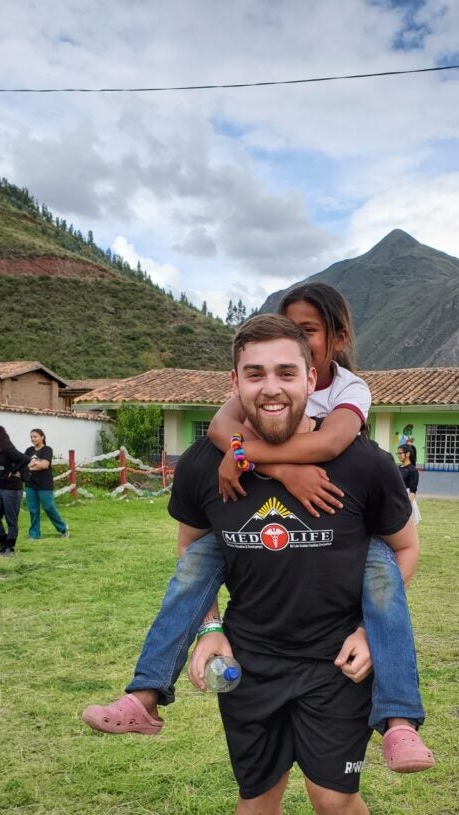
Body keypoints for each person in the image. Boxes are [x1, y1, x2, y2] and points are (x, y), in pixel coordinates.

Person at [172, 313, 420, 815]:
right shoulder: (204, 465)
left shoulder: (364, 463)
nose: (271, 387)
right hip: (249, 663)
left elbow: (403, 550)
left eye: (286, 372)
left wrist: (375, 634)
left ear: (311, 378)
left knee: (332, 796)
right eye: (255, 374)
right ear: (235, 382)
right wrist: (212, 627)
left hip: (334, 662)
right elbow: (193, 557)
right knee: (257, 797)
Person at [82, 283, 433, 773]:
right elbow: (223, 430)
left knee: (383, 591)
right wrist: (247, 455)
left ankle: (399, 721)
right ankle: (144, 695)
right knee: (190, 572)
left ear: (334, 340)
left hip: (354, 519)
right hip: (260, 526)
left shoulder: (350, 389)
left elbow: (331, 444)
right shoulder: (259, 384)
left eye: (308, 331)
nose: (298, 339)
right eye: (290, 328)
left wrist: (248, 457)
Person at [0, 425, 31, 556]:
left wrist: (13, 471)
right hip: (0, 489)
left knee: (11, 520)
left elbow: (25, 459)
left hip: (12, 489)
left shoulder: (8, 449)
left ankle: (10, 548)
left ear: (0, 436)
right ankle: (3, 544)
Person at [24, 428, 69, 540]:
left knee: (49, 507)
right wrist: (33, 465)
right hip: (30, 484)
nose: (33, 439)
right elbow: (24, 465)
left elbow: (44, 465)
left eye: (35, 436)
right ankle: (34, 534)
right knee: (33, 509)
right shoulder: (29, 451)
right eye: (31, 437)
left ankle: (63, 528)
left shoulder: (47, 450)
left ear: (42, 437)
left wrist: (31, 465)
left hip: (44, 483)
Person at [397, 443, 421, 525]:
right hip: (396, 499)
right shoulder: (398, 468)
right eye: (397, 453)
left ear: (407, 454)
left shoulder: (413, 471)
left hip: (406, 500)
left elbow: (412, 491)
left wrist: (407, 507)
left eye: (400, 453)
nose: (398, 455)